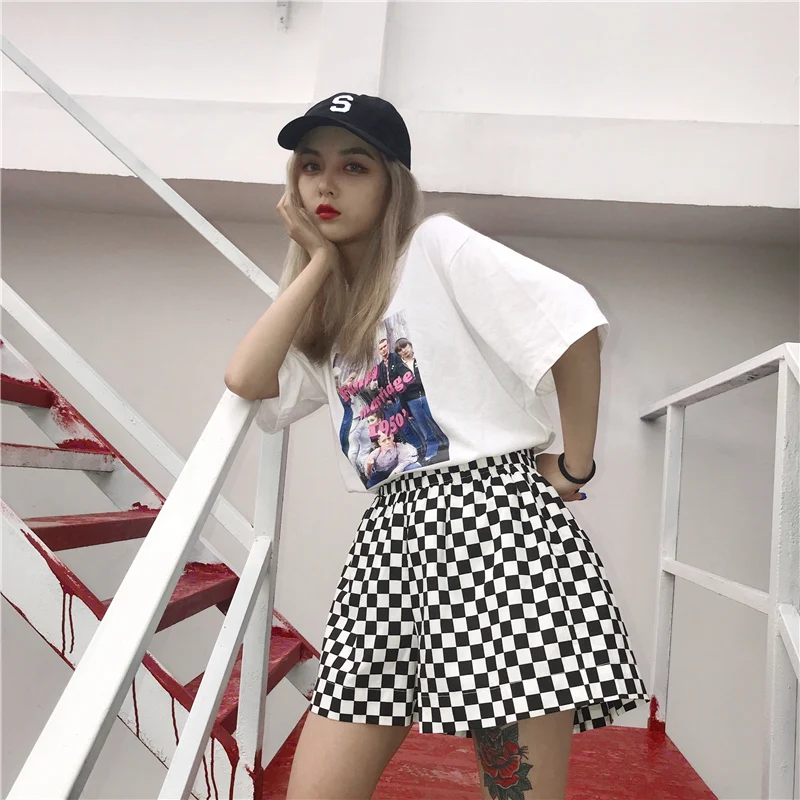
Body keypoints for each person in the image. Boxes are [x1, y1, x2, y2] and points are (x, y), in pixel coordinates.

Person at [224, 92, 648, 800]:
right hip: (388, 539)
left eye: (354, 166)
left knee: (513, 791)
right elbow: (247, 378)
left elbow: (571, 323)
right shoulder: (328, 307)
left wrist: (576, 466)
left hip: (493, 530)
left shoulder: (434, 247)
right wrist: (318, 264)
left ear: (392, 182)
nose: (326, 184)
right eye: (311, 166)